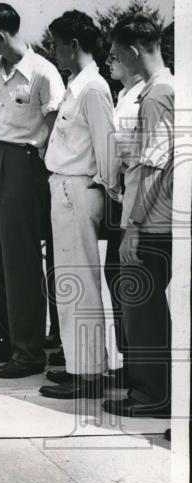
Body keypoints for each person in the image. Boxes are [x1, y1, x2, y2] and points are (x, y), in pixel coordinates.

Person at [0, 3, 65, 377]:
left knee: (19, 260)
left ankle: (27, 350)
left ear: (0, 37)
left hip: (24, 161)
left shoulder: (43, 73)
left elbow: (55, 131)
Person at [37, 11, 116, 400]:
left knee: (80, 282)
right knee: (69, 283)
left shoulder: (93, 89)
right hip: (64, 187)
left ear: (72, 45)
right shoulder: (75, 85)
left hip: (79, 189)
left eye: (56, 44)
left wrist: (103, 194)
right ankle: (78, 365)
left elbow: (106, 149)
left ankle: (89, 375)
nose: (53, 50)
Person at [102, 14, 173, 419]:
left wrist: (133, 227)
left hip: (152, 219)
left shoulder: (157, 94)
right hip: (158, 216)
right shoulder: (166, 88)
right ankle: (151, 390)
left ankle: (151, 396)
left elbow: (153, 165)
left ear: (131, 51)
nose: (117, 63)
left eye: (116, 55)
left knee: (141, 306)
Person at [100, 37, 146, 387]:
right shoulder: (123, 95)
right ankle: (128, 361)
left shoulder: (143, 94)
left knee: (129, 281)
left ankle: (139, 368)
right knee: (115, 277)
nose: (109, 62)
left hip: (134, 194)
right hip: (119, 194)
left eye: (115, 56)